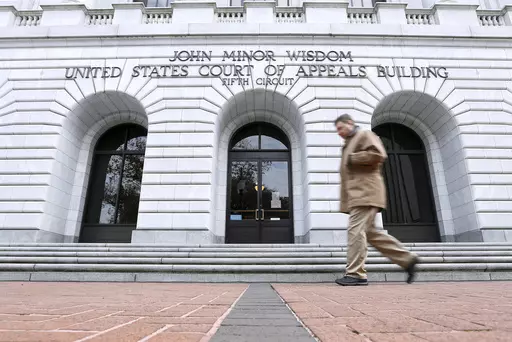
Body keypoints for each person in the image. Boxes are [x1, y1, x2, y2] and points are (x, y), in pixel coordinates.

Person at [334, 114, 419, 286]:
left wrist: (353, 158)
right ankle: (407, 259)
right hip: (360, 194)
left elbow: (378, 154)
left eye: (341, 128)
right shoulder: (349, 143)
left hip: (366, 193)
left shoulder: (364, 135)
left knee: (355, 232)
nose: (339, 132)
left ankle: (356, 274)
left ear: (350, 123)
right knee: (372, 234)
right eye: (337, 130)